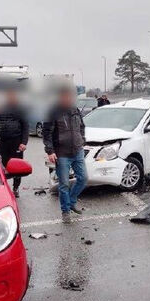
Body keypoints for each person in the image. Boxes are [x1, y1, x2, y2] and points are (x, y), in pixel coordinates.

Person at [43, 85, 87, 222]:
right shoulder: (53, 112)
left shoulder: (75, 110)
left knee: (83, 178)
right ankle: (65, 211)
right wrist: (50, 151)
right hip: (62, 153)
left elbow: (81, 126)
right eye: (66, 96)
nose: (69, 99)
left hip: (77, 151)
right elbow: (46, 133)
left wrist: (82, 140)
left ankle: (71, 201)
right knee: (64, 184)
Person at [0, 89, 29, 197]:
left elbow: (25, 126)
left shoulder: (21, 109)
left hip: (16, 142)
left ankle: (16, 187)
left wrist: (24, 143)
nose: (11, 98)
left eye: (12, 96)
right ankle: (4, 186)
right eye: (9, 96)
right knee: (3, 165)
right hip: (3, 142)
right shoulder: (1, 108)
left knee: (17, 165)